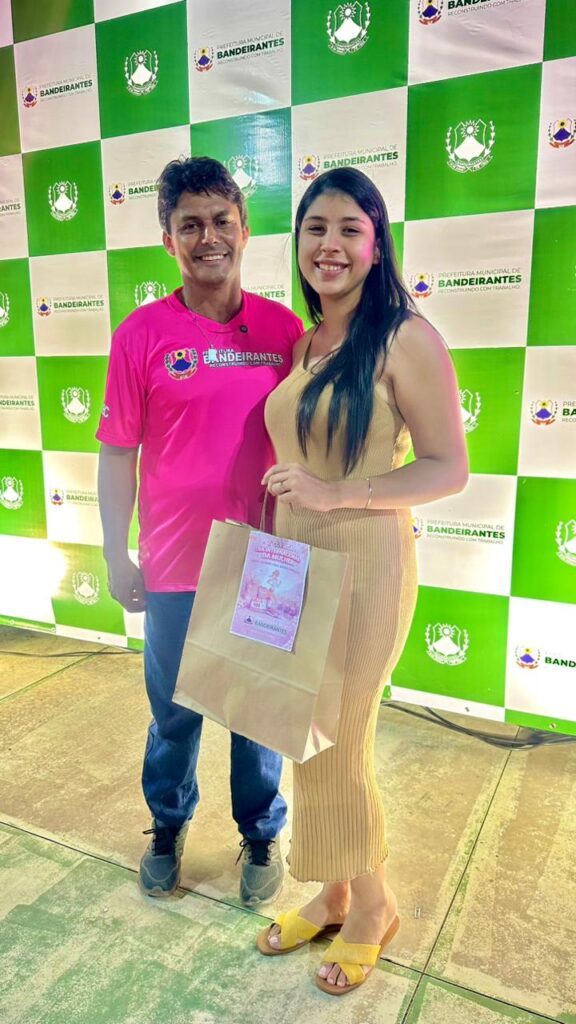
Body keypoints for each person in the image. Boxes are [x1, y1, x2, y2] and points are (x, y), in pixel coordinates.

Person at [256, 167, 468, 993]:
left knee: (341, 740)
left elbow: (448, 466)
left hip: (366, 560)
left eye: (350, 228)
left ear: (377, 245)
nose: (330, 244)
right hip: (293, 562)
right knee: (303, 731)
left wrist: (337, 493)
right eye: (316, 228)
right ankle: (334, 891)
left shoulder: (405, 338)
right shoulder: (306, 344)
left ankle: (374, 907)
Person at [96, 156, 303, 905]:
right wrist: (116, 553)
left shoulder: (285, 330)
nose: (208, 237)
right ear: (169, 240)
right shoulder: (141, 334)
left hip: (267, 560)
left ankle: (260, 831)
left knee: (258, 712)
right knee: (174, 712)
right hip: (175, 563)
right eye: (190, 225)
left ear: (245, 231)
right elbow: (116, 454)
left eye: (221, 221)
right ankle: (167, 823)